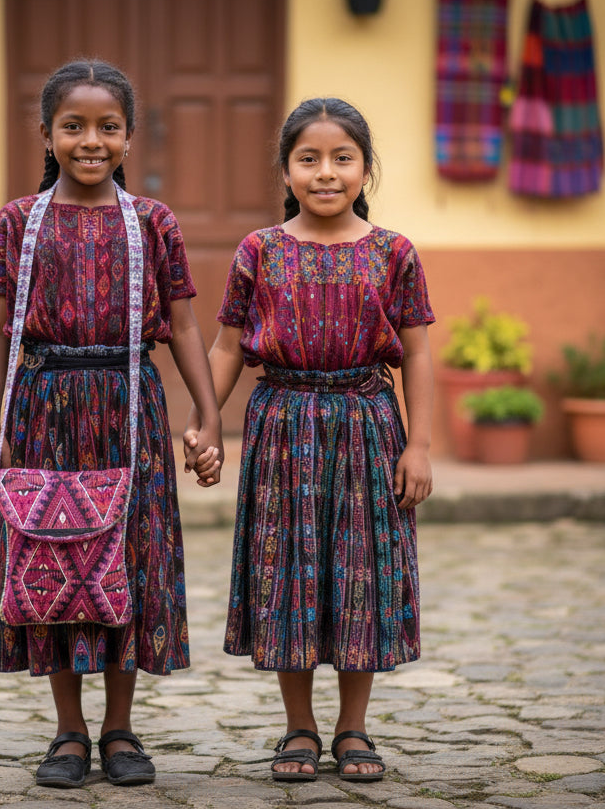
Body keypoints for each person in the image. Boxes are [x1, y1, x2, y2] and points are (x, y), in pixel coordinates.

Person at [0, 58, 222, 789]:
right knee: (52, 555)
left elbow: (181, 326)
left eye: (108, 127)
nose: (92, 140)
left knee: (127, 558)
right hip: (44, 404)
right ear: (47, 134)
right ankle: (68, 732)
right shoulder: (19, 221)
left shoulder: (153, 222)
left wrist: (210, 416)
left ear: (129, 135)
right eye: (74, 126)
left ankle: (119, 728)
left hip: (130, 408)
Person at [185, 97, 434, 782]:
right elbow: (229, 347)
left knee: (362, 573)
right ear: (287, 170)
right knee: (287, 571)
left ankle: (353, 729)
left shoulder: (394, 254)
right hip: (283, 425)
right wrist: (208, 423)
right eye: (309, 159)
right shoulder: (258, 252)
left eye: (342, 158)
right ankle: (298, 727)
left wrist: (420, 444)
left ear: (365, 168)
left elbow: (416, 355)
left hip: (367, 425)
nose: (326, 173)